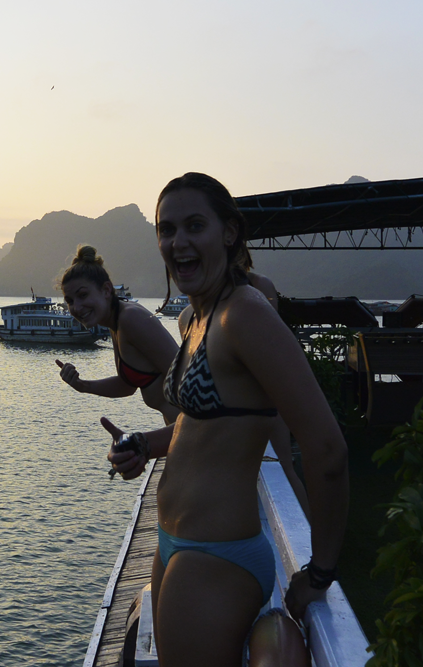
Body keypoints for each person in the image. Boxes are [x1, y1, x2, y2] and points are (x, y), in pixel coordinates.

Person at [105, 173, 348, 665]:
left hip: (216, 556)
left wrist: (319, 572)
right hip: (176, 543)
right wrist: (144, 444)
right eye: (166, 229)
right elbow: (199, 429)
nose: (178, 242)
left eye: (195, 225)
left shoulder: (245, 315)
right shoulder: (195, 318)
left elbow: (327, 450)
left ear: (229, 233)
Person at [178, 268, 311, 517]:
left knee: (284, 464)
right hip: (228, 397)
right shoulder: (191, 312)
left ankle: (305, 531)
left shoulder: (258, 286)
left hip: (266, 393)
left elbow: (270, 342)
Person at [55, 246, 181, 424]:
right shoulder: (116, 323)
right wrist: (83, 385)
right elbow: (127, 386)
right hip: (180, 433)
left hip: (196, 433)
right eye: (70, 301)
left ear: (106, 290)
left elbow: (184, 379)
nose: (76, 307)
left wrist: (148, 444)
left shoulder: (131, 318)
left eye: (83, 295)